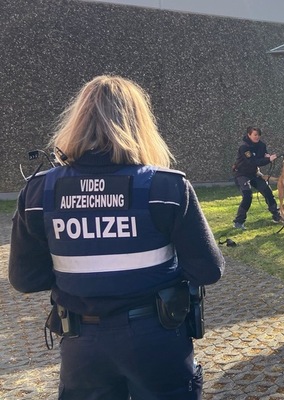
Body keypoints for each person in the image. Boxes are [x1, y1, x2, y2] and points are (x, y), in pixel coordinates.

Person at [8, 75, 224, 399]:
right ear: (139, 123)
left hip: (81, 345)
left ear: (77, 122)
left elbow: (25, 278)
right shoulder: (166, 188)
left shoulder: (39, 192)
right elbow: (208, 270)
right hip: (157, 339)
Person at [232, 126, 282, 228]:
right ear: (249, 135)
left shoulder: (261, 145)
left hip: (254, 173)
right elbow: (252, 162)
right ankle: (238, 222)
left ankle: (277, 216)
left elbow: (263, 154)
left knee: (267, 190)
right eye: (255, 135)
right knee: (247, 195)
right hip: (241, 174)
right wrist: (268, 160)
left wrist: (267, 156)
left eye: (258, 135)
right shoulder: (244, 147)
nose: (257, 137)